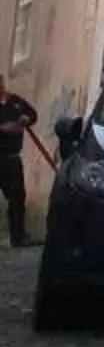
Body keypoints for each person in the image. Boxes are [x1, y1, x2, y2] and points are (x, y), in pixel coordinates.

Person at [0, 74, 38, 247]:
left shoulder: (14, 101)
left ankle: (18, 236)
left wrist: (26, 119)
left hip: (11, 158)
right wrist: (5, 129)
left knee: (17, 197)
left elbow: (32, 114)